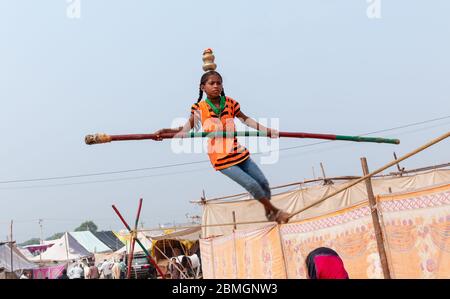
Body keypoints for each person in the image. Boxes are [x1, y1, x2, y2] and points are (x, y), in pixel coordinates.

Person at [154, 50, 289, 224]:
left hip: (238, 152)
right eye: (212, 83)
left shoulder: (231, 103)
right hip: (221, 157)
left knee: (263, 183)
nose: (216, 86)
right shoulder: (199, 108)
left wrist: (266, 130)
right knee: (252, 185)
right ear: (203, 87)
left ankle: (269, 211)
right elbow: (186, 129)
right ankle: (275, 212)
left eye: (219, 83)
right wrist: (164, 131)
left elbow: (245, 119)